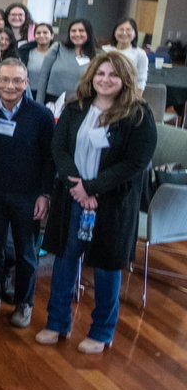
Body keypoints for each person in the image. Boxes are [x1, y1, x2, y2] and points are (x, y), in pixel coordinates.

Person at [37, 52, 155, 354]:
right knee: (65, 260)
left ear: (125, 79)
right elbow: (59, 148)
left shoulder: (138, 115)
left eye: (113, 75)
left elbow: (135, 163)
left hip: (112, 204)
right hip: (72, 198)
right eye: (100, 73)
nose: (105, 79)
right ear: (91, 76)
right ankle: (57, 323)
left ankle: (102, 332)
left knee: (106, 267)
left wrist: (92, 188)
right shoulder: (75, 107)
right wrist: (77, 186)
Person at [0, 58, 54, 329]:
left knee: (26, 254)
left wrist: (45, 194)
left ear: (26, 83)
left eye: (17, 80)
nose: (10, 86)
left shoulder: (41, 116)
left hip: (27, 196)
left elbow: (49, 159)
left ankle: (24, 303)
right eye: (5, 80)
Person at [35, 19, 98, 106]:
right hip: (52, 101)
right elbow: (43, 76)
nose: (77, 34)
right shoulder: (58, 48)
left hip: (80, 102)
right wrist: (39, 103)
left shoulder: (97, 55)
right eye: (73, 31)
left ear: (88, 33)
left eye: (81, 31)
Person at [102, 17, 148, 92]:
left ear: (135, 34)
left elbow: (141, 80)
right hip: (104, 90)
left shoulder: (140, 54)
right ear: (114, 32)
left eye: (128, 30)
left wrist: (137, 97)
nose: (124, 33)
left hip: (127, 93)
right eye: (121, 29)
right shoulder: (104, 50)